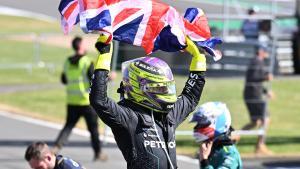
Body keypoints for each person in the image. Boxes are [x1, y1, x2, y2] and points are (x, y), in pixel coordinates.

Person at [89, 33, 207, 169]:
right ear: (140, 87)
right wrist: (104, 56)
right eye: (160, 88)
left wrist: (199, 57)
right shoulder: (129, 119)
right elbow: (98, 100)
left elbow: (190, 97)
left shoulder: (169, 114)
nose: (166, 93)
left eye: (167, 87)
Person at [53, 36, 106, 161]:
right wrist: (109, 78)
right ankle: (98, 153)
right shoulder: (87, 62)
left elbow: (64, 79)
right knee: (93, 130)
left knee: (68, 126)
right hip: (87, 102)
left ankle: (56, 147)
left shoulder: (67, 61)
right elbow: (95, 80)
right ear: (81, 46)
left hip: (72, 101)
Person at [190, 102, 242, 169]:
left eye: (202, 123)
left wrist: (204, 161)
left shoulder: (230, 154)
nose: (198, 126)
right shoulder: (211, 148)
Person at [242, 44, 273, 154]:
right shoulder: (256, 62)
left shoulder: (257, 61)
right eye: (265, 51)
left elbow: (255, 82)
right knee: (266, 119)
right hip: (253, 95)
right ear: (260, 51)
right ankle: (260, 145)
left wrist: (266, 91)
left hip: (252, 94)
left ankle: (233, 137)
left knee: (255, 122)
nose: (266, 53)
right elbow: (253, 78)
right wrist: (265, 77)